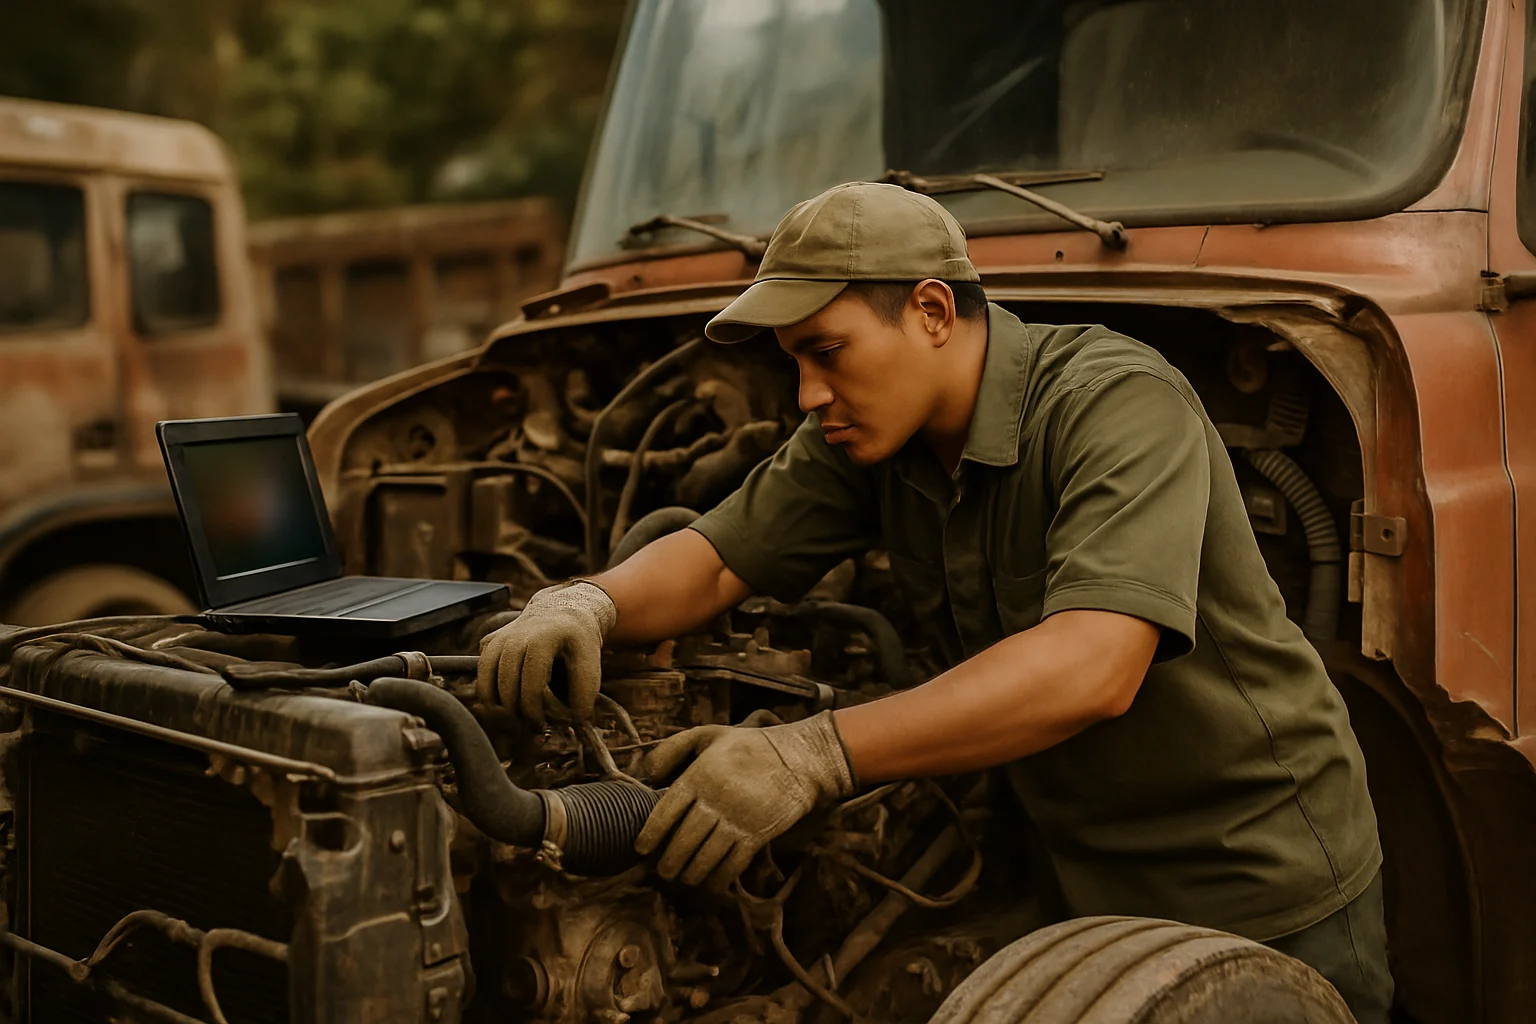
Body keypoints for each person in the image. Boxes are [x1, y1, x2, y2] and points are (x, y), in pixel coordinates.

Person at [476, 182, 1393, 1021]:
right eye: (795, 360)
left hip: (1253, 884)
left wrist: (810, 757)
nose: (808, 393)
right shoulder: (867, 439)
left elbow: (1091, 666)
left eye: (827, 352)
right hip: (1075, 885)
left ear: (931, 312)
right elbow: (717, 559)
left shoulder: (1116, 404)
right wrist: (582, 603)